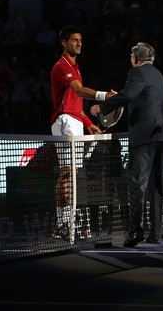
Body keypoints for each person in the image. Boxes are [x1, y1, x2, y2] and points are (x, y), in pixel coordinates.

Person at [93, 42, 163, 247]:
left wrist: (101, 107)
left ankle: (135, 231)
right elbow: (138, 95)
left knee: (137, 183)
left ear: (135, 59)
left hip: (145, 136)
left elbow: (128, 95)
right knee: (156, 186)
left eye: (131, 57)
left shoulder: (136, 72)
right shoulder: (158, 74)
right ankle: (155, 234)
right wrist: (120, 95)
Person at [49, 25, 114, 240]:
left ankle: (62, 223)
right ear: (64, 43)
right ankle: (64, 222)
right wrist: (105, 96)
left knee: (69, 173)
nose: (78, 43)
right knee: (68, 173)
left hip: (74, 120)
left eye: (80, 40)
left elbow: (76, 104)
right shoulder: (61, 66)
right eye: (74, 40)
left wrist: (88, 123)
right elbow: (77, 91)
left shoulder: (76, 69)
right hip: (65, 121)